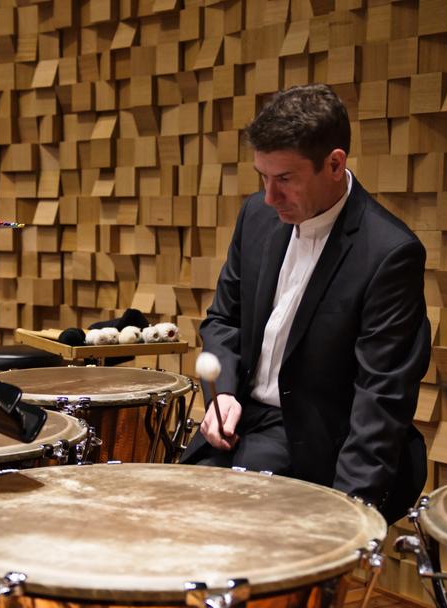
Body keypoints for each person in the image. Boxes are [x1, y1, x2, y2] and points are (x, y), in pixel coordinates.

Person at [181, 84, 430, 525]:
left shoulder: (389, 254)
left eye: (285, 179)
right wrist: (222, 397)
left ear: (335, 164)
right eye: (263, 177)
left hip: (317, 444)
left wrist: (345, 518)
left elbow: (381, 398)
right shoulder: (256, 216)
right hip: (244, 421)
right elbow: (224, 320)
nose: (270, 196)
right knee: (164, 509)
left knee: (206, 523)